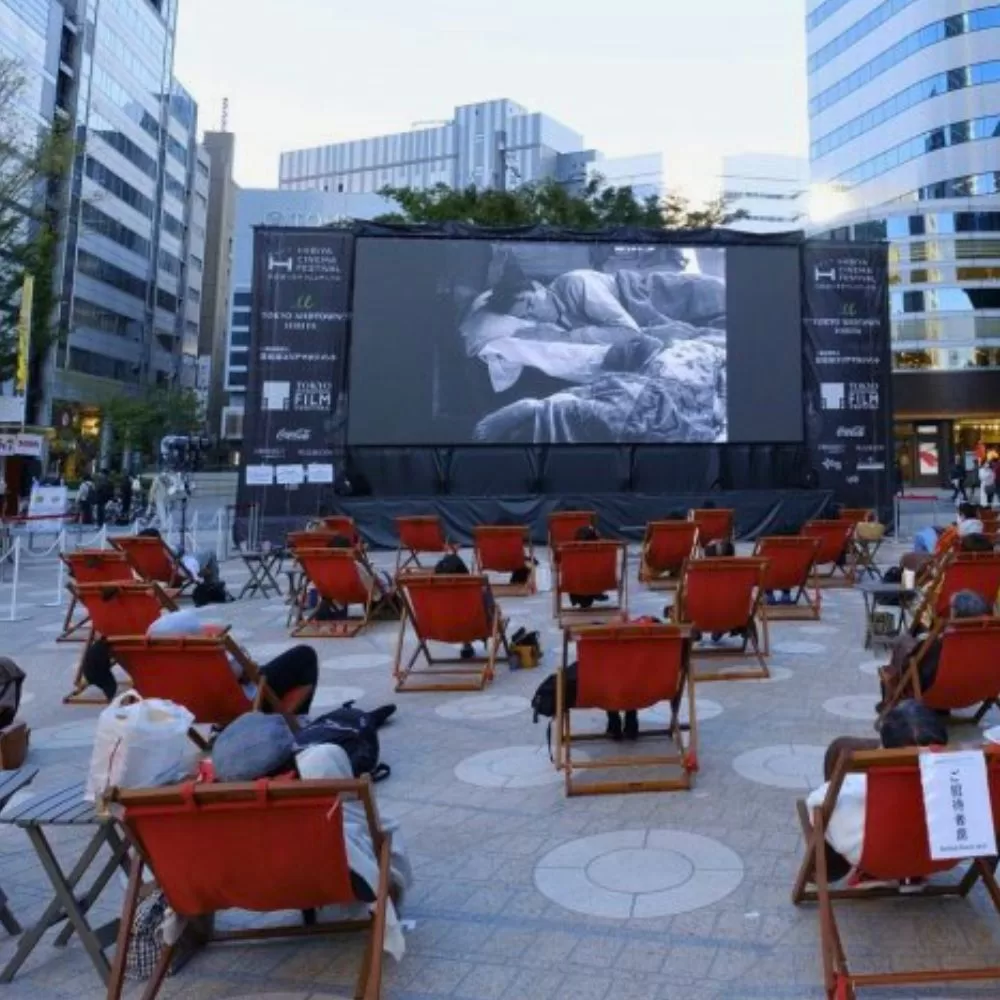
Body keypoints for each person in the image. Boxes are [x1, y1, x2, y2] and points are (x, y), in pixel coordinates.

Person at [805, 701, 948, 887]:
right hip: (941, 854)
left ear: (884, 747)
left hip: (877, 856)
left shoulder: (858, 786)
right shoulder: (969, 776)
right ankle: (913, 873)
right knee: (840, 747)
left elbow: (815, 804)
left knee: (823, 807)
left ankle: (853, 872)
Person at [149, 608, 318, 713]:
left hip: (197, 706)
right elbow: (246, 674)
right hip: (240, 703)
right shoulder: (206, 654)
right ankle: (290, 720)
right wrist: (247, 665)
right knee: (305, 656)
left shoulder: (156, 659)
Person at [879, 589, 991, 708]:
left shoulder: (945, 642)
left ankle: (890, 694)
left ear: (955, 613)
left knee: (903, 641)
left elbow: (911, 664)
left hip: (934, 687)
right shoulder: (989, 641)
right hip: (974, 689)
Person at [434, 553, 497, 660]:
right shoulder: (477, 590)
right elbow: (490, 610)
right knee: (478, 609)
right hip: (474, 626)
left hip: (443, 628)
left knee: (456, 612)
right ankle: (466, 639)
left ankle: (466, 644)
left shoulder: (431, 593)